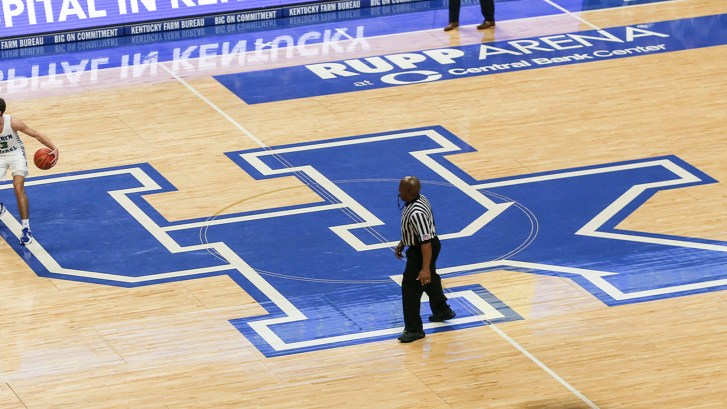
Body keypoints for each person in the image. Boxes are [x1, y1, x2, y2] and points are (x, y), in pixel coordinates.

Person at [395, 176, 455, 343]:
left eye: (400, 188)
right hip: (423, 245)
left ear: (408, 191)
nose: (398, 191)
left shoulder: (417, 213)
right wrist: (403, 242)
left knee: (410, 287)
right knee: (430, 280)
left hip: (423, 250)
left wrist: (424, 267)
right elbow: (417, 232)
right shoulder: (421, 198)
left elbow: (425, 242)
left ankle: (414, 329)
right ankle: (442, 309)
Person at [0, 98, 59, 246]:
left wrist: (54, 147)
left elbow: (36, 134)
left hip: (15, 155)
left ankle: (26, 229)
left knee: (18, 187)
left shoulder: (13, 123)